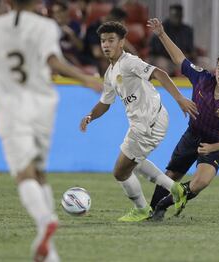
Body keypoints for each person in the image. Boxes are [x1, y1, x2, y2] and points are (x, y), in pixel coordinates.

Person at [0, 0, 100, 260]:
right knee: (39, 172)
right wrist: (85, 78)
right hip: (43, 105)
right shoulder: (46, 27)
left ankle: (46, 220)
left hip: (12, 107)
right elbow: (53, 61)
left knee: (24, 174)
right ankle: (50, 253)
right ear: (36, 3)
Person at [79, 21, 198, 222]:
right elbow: (105, 103)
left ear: (122, 42)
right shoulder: (110, 72)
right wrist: (90, 116)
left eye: (111, 40)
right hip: (145, 121)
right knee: (136, 162)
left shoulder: (129, 62)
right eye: (103, 41)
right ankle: (176, 190)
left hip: (148, 122)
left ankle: (142, 209)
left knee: (120, 172)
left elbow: (159, 73)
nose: (106, 45)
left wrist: (180, 98)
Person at [146, 18, 219, 220]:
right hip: (192, 135)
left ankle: (164, 205)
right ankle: (152, 210)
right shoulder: (202, 79)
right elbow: (178, 58)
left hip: (214, 144)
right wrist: (162, 34)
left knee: (201, 183)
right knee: (171, 175)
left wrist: (211, 148)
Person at [149, 4, 194, 76]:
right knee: (162, 64)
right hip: (165, 59)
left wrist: (189, 56)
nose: (176, 18)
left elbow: (191, 49)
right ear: (170, 15)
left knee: (203, 63)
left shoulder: (187, 30)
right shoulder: (161, 28)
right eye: (174, 15)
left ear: (182, 16)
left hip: (181, 59)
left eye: (178, 15)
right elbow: (155, 50)